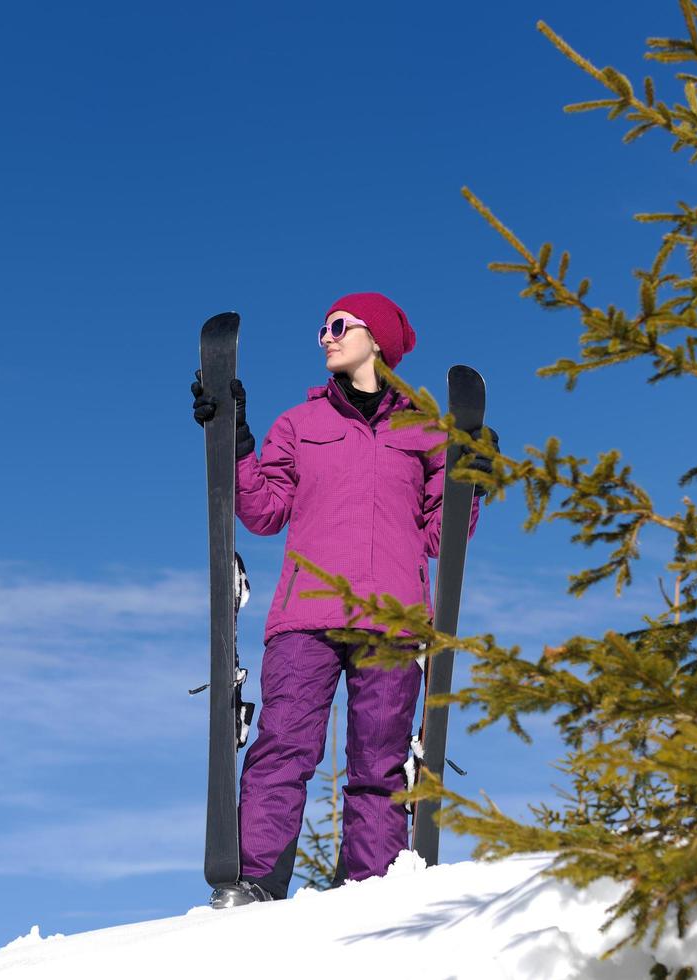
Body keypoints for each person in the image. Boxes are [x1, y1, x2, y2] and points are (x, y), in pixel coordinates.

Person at [190, 292, 496, 907]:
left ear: (376, 338)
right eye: (323, 328)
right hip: (306, 617)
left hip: (394, 619)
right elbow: (265, 511)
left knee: (379, 765)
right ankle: (256, 880)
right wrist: (236, 442)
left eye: (338, 326)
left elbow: (439, 536)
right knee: (283, 747)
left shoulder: (424, 433)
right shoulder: (300, 426)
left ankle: (370, 888)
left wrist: (473, 487)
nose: (326, 337)